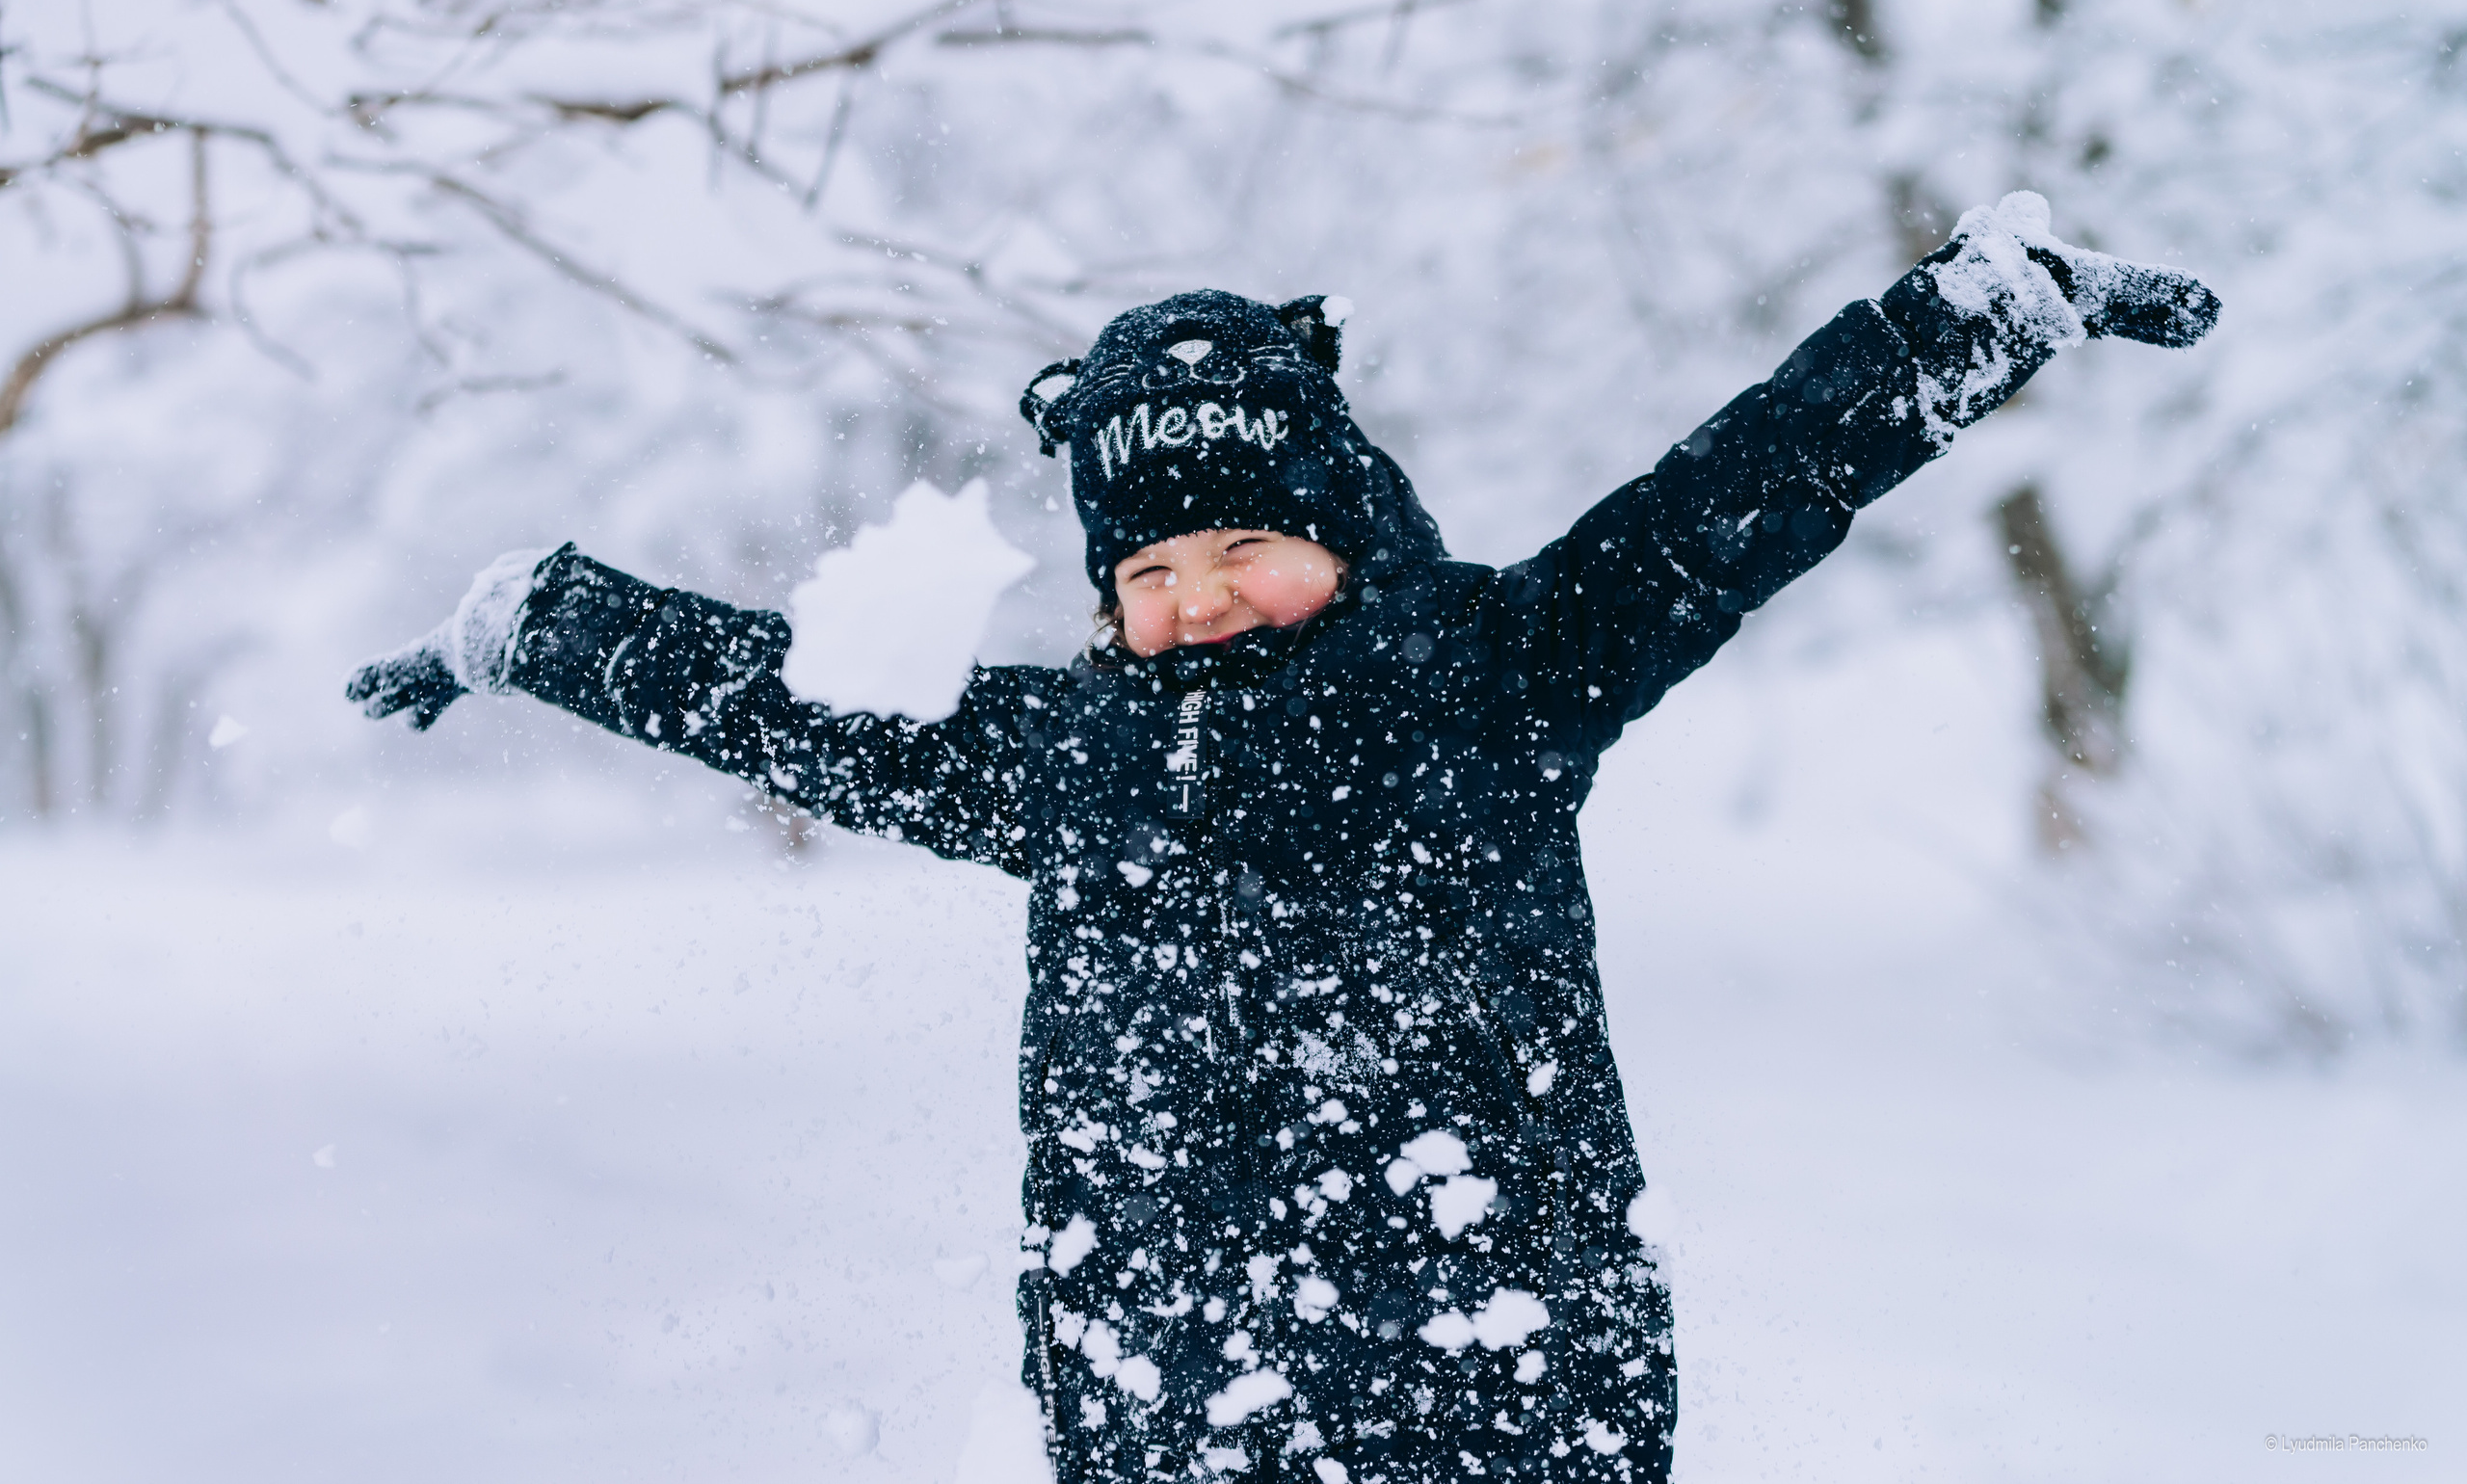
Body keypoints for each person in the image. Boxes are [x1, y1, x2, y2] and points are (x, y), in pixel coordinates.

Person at [348, 193, 2217, 1483]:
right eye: (1148, 566)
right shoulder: (1069, 749)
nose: (1199, 593)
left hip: (1514, 1369)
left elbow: (1738, 490)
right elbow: (793, 703)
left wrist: (1978, 312)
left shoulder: (1499, 670)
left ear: (1343, 521)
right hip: (1161, 1384)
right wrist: (545, 628)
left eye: (1244, 539)